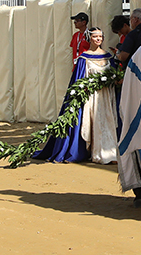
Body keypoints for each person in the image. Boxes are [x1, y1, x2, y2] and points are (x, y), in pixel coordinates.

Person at [36, 27, 119, 164]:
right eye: (95, 37)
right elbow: (79, 79)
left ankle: (108, 152)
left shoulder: (108, 56)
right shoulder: (84, 58)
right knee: (92, 121)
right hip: (92, 97)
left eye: (100, 37)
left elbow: (114, 74)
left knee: (107, 122)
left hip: (106, 96)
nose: (98, 39)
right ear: (89, 38)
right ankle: (91, 151)